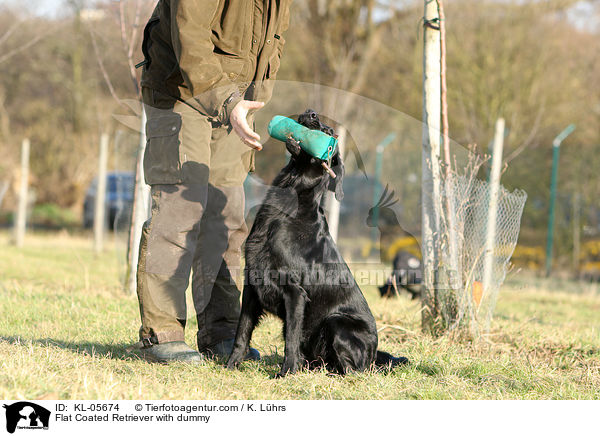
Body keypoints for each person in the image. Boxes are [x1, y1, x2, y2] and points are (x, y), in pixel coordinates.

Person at [133, 0, 291, 363]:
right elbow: (189, 34)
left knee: (228, 214)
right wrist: (229, 100)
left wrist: (251, 102)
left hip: (233, 103)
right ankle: (162, 333)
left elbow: (270, 46)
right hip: (181, 90)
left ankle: (221, 332)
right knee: (181, 207)